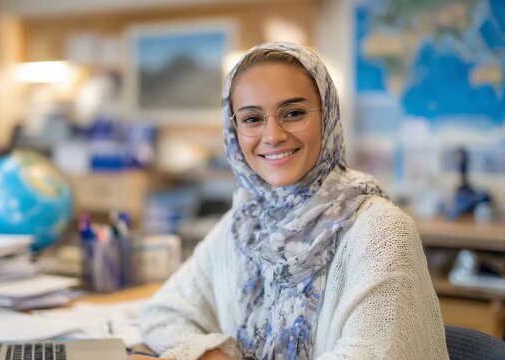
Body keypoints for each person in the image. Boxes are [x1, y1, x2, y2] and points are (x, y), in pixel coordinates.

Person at [130, 42, 448, 360]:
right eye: (252, 118)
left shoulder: (380, 231)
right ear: (233, 130)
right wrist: (213, 354)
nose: (273, 135)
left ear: (328, 116)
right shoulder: (245, 226)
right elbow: (163, 314)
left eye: (293, 113)